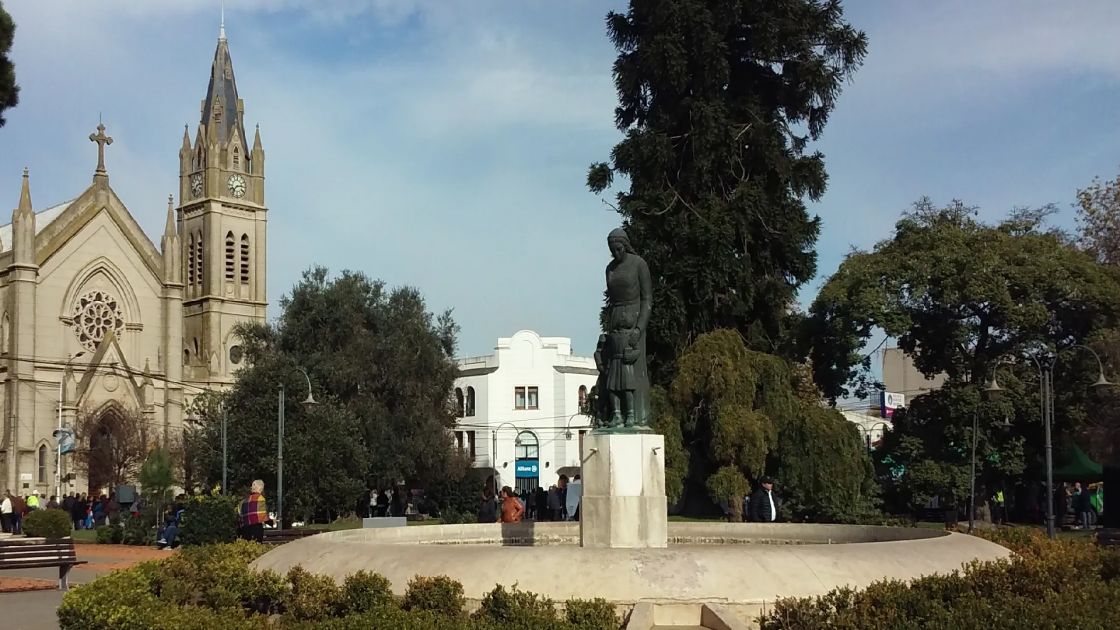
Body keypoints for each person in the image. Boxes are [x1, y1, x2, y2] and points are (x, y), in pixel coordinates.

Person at [602, 228, 653, 428]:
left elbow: (647, 299)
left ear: (626, 245)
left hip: (634, 322)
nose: (616, 253)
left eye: (619, 248)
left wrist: (639, 328)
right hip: (616, 323)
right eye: (612, 250)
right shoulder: (609, 269)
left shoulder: (639, 264)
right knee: (614, 374)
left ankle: (636, 417)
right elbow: (611, 301)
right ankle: (617, 416)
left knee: (632, 373)